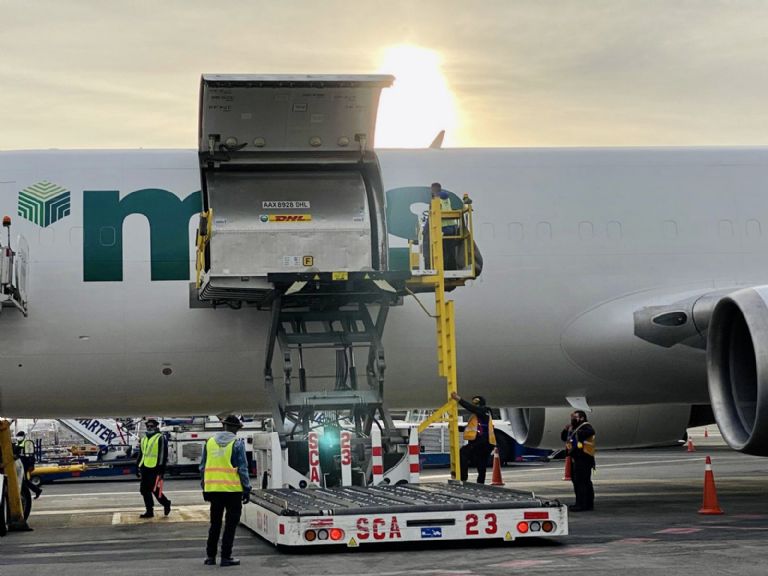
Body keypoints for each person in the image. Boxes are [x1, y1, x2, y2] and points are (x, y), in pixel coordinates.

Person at [200, 415, 252, 567]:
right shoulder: (237, 444)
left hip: (213, 490)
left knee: (214, 524)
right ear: (235, 428)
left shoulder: (209, 443)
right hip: (232, 491)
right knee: (230, 525)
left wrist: (204, 487)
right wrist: (247, 489)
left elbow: (203, 467)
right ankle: (225, 557)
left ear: (224, 426)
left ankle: (210, 557)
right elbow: (243, 469)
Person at [451, 391, 496, 483]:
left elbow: (471, 408)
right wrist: (459, 428)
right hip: (486, 443)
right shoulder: (482, 414)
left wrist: (459, 399)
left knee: (463, 453)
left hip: (481, 442)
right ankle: (480, 483)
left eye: (476, 405)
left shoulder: (484, 411)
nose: (474, 407)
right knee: (481, 463)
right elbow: (476, 428)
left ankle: (463, 477)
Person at [136, 418, 171, 518]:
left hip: (155, 468)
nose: (150, 428)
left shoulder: (160, 438)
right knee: (143, 490)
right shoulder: (144, 438)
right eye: (148, 426)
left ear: (156, 427)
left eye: (152, 426)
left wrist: (161, 470)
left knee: (154, 489)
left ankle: (166, 503)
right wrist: (137, 466)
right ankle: (149, 511)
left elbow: (163, 455)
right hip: (145, 467)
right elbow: (141, 453)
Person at [561, 410, 596, 512]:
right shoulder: (574, 428)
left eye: (574, 417)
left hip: (584, 459)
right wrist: (566, 430)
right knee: (577, 482)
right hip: (576, 459)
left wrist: (575, 432)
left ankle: (583, 504)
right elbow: (564, 438)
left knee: (582, 482)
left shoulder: (586, 426)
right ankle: (581, 503)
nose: (572, 419)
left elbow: (590, 432)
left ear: (581, 418)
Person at [422, 182, 460, 270]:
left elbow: (434, 215)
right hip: (451, 228)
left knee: (443, 252)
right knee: (450, 251)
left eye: (431, 189)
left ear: (434, 189)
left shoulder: (436, 199)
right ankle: (452, 269)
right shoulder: (447, 198)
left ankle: (442, 269)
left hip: (443, 229)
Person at [15, 431, 42, 499]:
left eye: (20, 436)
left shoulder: (27, 443)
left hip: (25, 464)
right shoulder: (17, 444)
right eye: (18, 436)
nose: (19, 438)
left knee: (23, 480)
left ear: (23, 436)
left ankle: (36, 491)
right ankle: (37, 490)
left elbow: (31, 455)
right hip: (19, 464)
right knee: (24, 480)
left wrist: (31, 465)